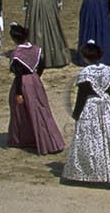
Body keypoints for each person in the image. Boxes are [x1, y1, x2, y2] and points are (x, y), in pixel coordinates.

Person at [62, 41, 110, 185]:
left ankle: (90, 174)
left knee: (89, 142)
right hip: (106, 106)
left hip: (90, 108)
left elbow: (82, 96)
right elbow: (109, 92)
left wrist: (76, 113)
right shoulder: (106, 70)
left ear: (85, 57)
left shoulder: (85, 73)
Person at [5, 23, 65, 155]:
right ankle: (49, 139)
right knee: (41, 109)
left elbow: (19, 74)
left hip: (23, 83)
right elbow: (42, 65)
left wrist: (19, 93)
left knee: (22, 111)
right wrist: (36, 78)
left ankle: (25, 139)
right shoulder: (36, 49)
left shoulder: (17, 53)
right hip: (35, 80)